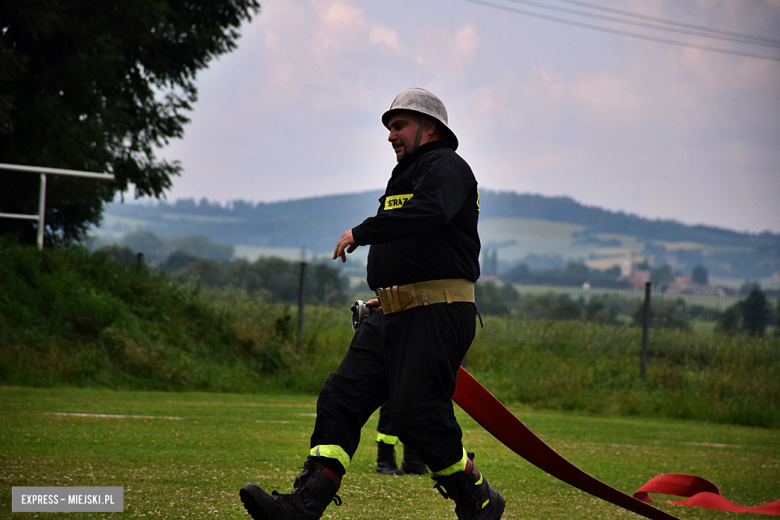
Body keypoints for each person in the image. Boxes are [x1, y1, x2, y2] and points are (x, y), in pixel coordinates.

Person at [239, 88, 505, 520]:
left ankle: (477, 497)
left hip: (435, 312)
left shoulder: (446, 166)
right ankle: (305, 504)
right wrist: (385, 295)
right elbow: (414, 246)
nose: (390, 136)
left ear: (429, 127)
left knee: (415, 415)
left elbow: (430, 213)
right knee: (341, 396)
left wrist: (362, 231)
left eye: (398, 126)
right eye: (389, 128)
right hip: (393, 312)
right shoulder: (408, 174)